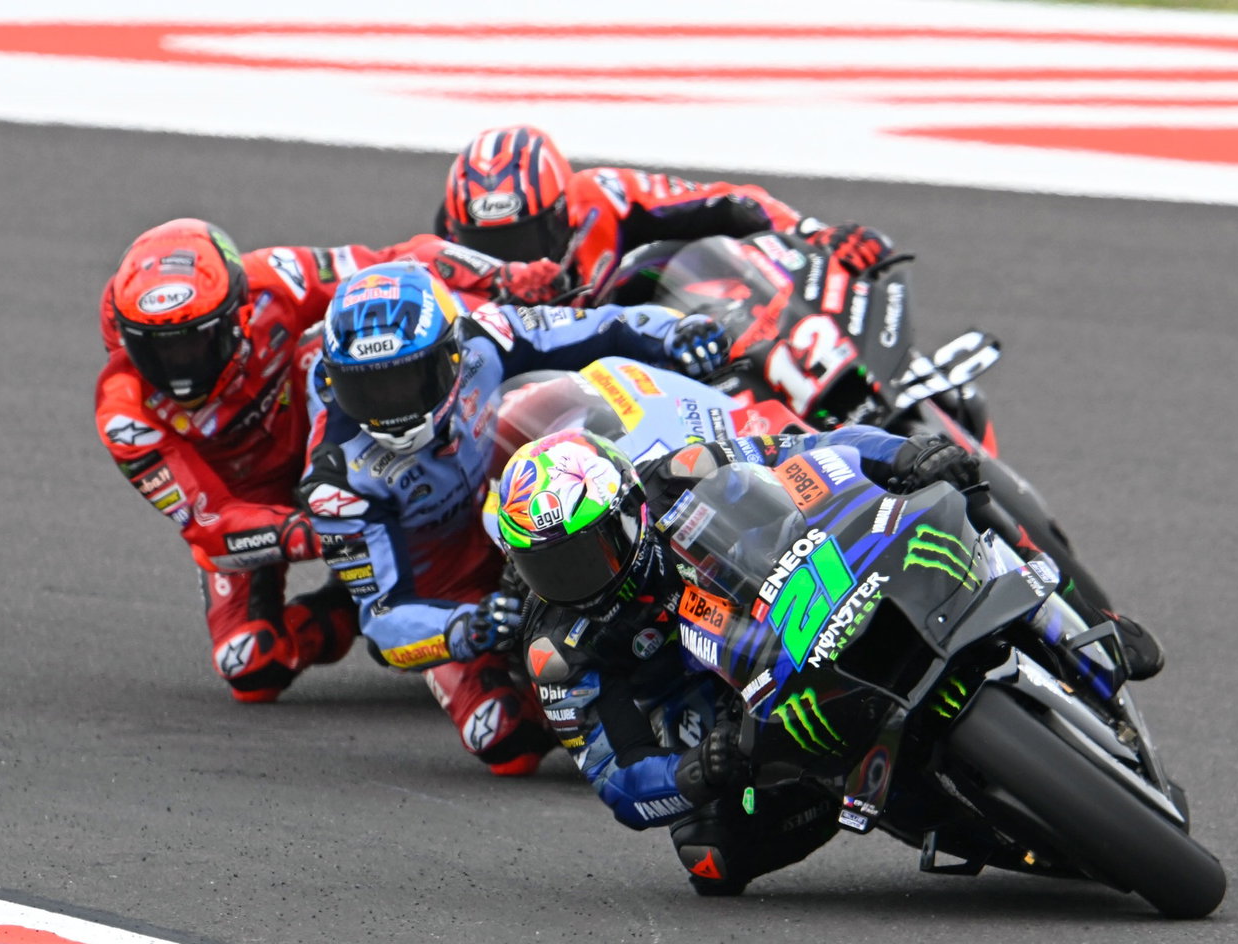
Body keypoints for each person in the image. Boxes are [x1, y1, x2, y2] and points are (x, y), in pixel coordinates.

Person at [494, 426, 1164, 892]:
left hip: (802, 599)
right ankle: (948, 816)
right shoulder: (559, 649)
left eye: (585, 554)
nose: (573, 580)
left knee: (956, 485)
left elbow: (805, 450)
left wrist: (900, 453)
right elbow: (619, 778)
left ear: (627, 513)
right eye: (545, 567)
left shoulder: (680, 473)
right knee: (711, 856)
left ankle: (1084, 625)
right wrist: (696, 769)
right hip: (740, 725)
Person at [94, 217, 569, 703]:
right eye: (156, 350)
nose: (179, 369)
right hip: (256, 503)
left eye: (194, 342)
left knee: (336, 342)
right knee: (249, 661)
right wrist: (319, 531)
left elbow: (395, 263)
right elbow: (209, 526)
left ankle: (521, 380)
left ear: (236, 314)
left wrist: (503, 277)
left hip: (335, 441)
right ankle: (349, 604)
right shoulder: (123, 412)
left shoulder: (276, 278)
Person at [296, 260, 731, 775]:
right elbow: (385, 623)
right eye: (368, 390)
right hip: (453, 592)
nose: (391, 410)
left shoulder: (484, 335)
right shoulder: (335, 481)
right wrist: (465, 627)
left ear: (451, 354)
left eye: (408, 381)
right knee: (503, 737)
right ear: (332, 381)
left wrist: (671, 333)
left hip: (521, 498)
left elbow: (589, 327)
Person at [437, 124, 895, 298]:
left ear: (561, 214)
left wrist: (815, 235)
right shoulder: (443, 265)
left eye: (520, 240)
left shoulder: (604, 195)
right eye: (486, 246)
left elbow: (733, 204)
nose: (510, 260)